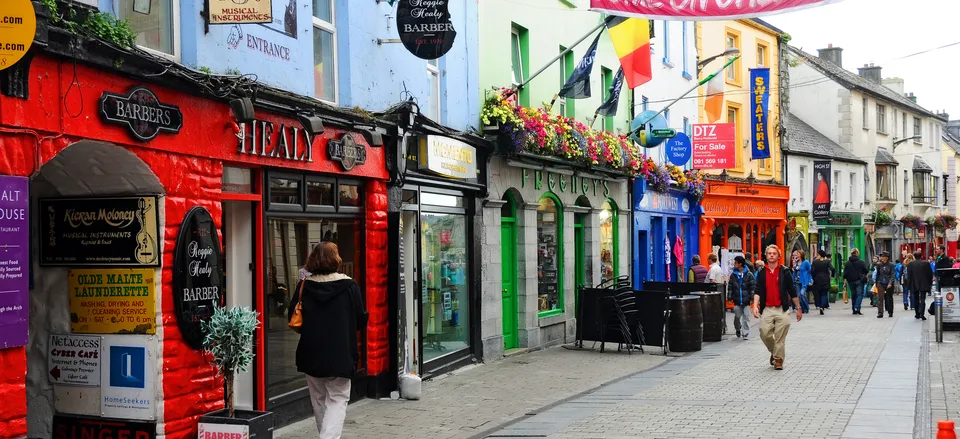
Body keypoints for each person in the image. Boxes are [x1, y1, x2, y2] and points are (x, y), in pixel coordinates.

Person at [289, 242, 368, 439]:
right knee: (338, 398)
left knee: (319, 400)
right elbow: (360, 318)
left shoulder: (304, 286)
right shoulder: (350, 285)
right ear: (336, 259)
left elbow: (292, 315)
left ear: (313, 260)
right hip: (341, 353)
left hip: (311, 352)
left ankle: (326, 435)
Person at [752, 245, 801, 371]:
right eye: (769, 253)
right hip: (767, 308)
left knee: (780, 336)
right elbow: (757, 290)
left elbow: (792, 290)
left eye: (774, 253)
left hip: (781, 308)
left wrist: (798, 308)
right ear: (766, 256)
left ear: (778, 256)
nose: (772, 255)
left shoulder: (785, 272)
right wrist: (755, 306)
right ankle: (774, 352)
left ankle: (778, 360)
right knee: (764, 332)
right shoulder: (762, 273)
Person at [728, 256, 756, 340]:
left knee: (746, 316)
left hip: (746, 299)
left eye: (735, 262)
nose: (734, 264)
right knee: (737, 316)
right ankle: (737, 328)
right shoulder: (733, 275)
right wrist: (729, 297)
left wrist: (752, 298)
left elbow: (752, 287)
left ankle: (745, 332)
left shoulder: (749, 274)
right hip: (737, 299)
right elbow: (730, 286)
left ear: (740, 264)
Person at [907, 250, 933, 321]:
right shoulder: (926, 263)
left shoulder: (910, 264)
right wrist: (930, 283)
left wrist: (909, 285)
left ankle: (917, 314)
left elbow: (909, 276)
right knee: (922, 298)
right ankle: (922, 313)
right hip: (924, 283)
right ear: (921, 256)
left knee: (916, 298)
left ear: (914, 257)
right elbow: (929, 274)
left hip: (914, 283)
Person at [842, 248, 868, 316]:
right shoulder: (861, 262)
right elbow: (866, 270)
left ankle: (854, 310)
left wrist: (845, 280)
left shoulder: (847, 263)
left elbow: (845, 273)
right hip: (859, 280)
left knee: (854, 295)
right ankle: (857, 307)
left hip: (850, 281)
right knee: (860, 294)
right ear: (856, 253)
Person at [875, 251, 896, 318]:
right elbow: (877, 274)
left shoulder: (891, 265)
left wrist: (890, 283)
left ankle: (890, 312)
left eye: (883, 256)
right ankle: (880, 313)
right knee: (880, 298)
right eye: (881, 256)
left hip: (888, 283)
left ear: (886, 258)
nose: (881, 258)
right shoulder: (879, 265)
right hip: (880, 282)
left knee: (889, 298)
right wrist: (876, 283)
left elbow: (892, 275)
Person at [811, 250, 833, 315]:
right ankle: (822, 307)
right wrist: (832, 276)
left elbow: (812, 271)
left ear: (820, 255)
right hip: (826, 279)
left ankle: (819, 305)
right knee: (824, 294)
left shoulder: (815, 262)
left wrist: (814, 277)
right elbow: (833, 269)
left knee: (818, 294)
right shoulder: (827, 262)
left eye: (818, 254)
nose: (817, 256)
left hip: (817, 279)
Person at [792, 250, 812, 314]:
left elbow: (810, 271)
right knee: (798, 295)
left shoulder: (806, 262)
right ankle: (802, 309)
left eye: (798, 253)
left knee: (802, 294)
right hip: (797, 281)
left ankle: (806, 307)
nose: (796, 254)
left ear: (801, 254)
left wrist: (810, 280)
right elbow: (794, 272)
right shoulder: (797, 262)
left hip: (804, 281)